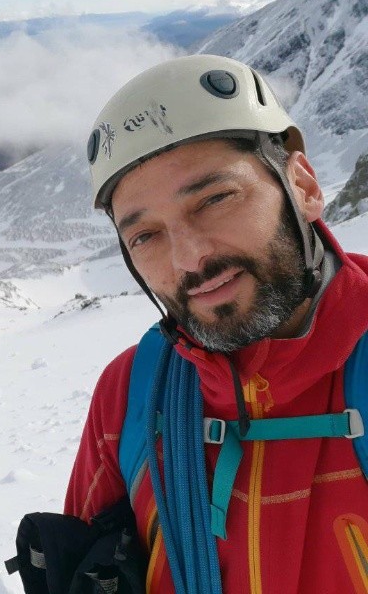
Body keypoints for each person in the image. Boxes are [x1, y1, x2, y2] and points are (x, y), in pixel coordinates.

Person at [65, 54, 368, 593]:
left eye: (214, 199)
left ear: (302, 186)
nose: (189, 258)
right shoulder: (130, 396)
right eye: (145, 236)